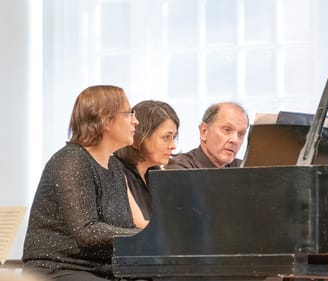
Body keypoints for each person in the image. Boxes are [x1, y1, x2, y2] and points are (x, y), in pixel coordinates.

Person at [22, 85, 141, 281]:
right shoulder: (71, 160)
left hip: (101, 271)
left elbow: (124, 226)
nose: (135, 121)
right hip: (58, 269)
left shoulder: (115, 167)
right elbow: (86, 231)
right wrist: (146, 235)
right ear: (105, 119)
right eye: (129, 114)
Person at [114, 100, 179, 228]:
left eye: (174, 137)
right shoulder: (115, 169)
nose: (173, 146)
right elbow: (140, 226)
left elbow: (175, 217)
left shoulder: (157, 171)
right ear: (141, 135)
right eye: (166, 137)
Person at [166, 101, 248, 169]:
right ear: (204, 131)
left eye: (241, 134)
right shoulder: (179, 168)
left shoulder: (244, 169)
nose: (235, 140)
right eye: (227, 129)